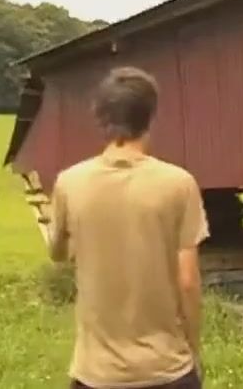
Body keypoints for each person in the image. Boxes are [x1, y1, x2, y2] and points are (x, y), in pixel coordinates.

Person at [46, 67, 208, 389]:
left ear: (101, 117)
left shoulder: (69, 182)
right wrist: (193, 349)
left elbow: (57, 252)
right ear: (150, 116)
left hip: (95, 374)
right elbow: (188, 281)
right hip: (167, 368)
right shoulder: (179, 184)